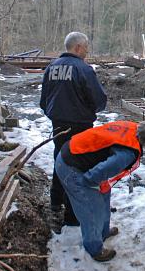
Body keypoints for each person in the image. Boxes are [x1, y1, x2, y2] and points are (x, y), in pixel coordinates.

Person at [55, 120, 145, 262]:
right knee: (91, 209)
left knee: (104, 195)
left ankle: (103, 231)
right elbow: (101, 171)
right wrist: (90, 183)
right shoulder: (127, 154)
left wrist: (99, 184)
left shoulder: (131, 127)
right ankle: (94, 249)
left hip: (76, 153)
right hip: (71, 166)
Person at [40, 32, 107, 225]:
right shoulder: (83, 70)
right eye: (86, 47)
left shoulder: (51, 68)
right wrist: (89, 111)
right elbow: (99, 100)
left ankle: (55, 201)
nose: (87, 50)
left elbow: (43, 101)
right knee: (76, 165)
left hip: (58, 124)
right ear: (77, 47)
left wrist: (55, 114)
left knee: (59, 159)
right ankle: (72, 214)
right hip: (80, 126)